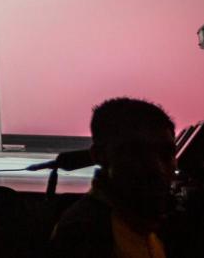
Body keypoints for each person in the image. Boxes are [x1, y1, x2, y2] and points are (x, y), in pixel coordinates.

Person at [49, 97, 179, 257]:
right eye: (137, 153)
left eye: (166, 154)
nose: (157, 168)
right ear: (99, 155)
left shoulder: (149, 223)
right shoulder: (83, 233)